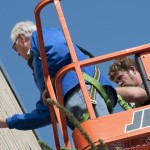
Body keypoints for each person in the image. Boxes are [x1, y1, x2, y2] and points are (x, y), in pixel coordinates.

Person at [0, 21, 116, 130]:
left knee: (101, 137)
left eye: (15, 47)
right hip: (78, 98)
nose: (18, 54)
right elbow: (45, 112)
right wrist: (8, 122)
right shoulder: (40, 66)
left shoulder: (39, 36)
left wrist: (51, 80)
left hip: (81, 92)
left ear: (21, 38)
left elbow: (58, 50)